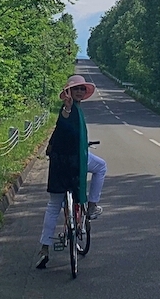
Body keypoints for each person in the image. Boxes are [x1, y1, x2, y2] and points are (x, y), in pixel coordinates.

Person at [36, 75, 107, 269]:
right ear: (68, 92)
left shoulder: (76, 109)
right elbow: (64, 122)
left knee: (53, 205)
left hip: (60, 163)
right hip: (73, 162)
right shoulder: (68, 109)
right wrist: (67, 107)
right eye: (75, 89)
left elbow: (63, 132)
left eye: (81, 89)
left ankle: (44, 248)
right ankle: (91, 206)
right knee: (100, 167)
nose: (79, 92)